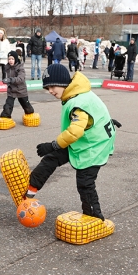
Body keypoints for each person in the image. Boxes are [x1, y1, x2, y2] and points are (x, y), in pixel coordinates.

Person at [24, 63, 118, 221]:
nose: (51, 91)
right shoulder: (76, 94)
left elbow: (75, 131)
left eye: (53, 86)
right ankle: (30, 191)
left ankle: (95, 217)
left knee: (85, 182)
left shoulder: (77, 102)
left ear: (62, 83)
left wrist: (53, 145)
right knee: (52, 158)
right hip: (84, 140)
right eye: (47, 88)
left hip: (93, 146)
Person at [0, 51, 33, 119]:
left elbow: (20, 78)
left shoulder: (20, 68)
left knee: (26, 105)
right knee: (8, 105)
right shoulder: (7, 67)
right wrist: (5, 80)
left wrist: (10, 80)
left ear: (16, 59)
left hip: (21, 90)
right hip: (11, 90)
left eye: (12, 59)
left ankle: (30, 114)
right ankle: (5, 117)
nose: (10, 61)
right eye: (9, 59)